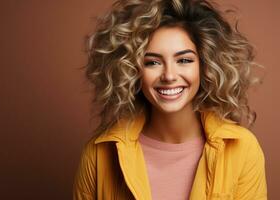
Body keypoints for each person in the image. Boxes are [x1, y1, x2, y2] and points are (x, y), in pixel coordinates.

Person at [73, 0, 267, 199]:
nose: (169, 76)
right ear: (133, 70)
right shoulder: (99, 154)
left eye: (184, 60)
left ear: (205, 65)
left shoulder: (242, 149)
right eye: (153, 62)